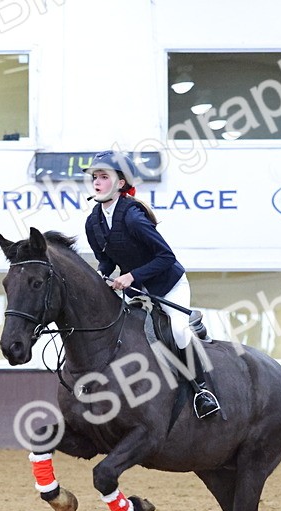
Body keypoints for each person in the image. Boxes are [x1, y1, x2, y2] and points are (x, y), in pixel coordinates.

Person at [83, 150, 220, 419]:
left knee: (178, 332)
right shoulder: (93, 223)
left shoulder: (133, 216)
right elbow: (106, 261)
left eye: (104, 176)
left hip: (169, 285)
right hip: (139, 293)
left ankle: (202, 390)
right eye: (95, 177)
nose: (97, 182)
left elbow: (166, 257)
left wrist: (131, 276)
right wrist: (101, 275)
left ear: (120, 183)